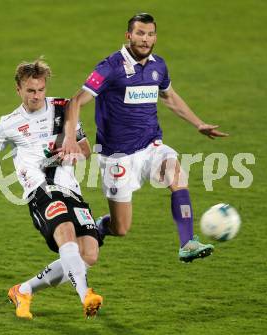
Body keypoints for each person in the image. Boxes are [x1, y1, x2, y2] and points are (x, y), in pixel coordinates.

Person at [0, 59, 103, 319]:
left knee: (89, 254)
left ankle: (23, 290)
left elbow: (85, 150)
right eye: (30, 91)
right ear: (18, 90)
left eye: (40, 90)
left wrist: (72, 152)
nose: (36, 96)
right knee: (66, 235)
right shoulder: (10, 123)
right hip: (40, 189)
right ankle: (86, 295)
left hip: (70, 187)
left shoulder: (64, 110)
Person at [61, 13, 228, 262]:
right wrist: (70, 138)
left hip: (151, 144)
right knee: (121, 228)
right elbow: (75, 101)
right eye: (140, 33)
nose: (145, 39)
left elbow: (169, 97)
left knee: (176, 173)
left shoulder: (158, 66)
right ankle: (101, 226)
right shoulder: (110, 67)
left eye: (150, 34)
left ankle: (188, 242)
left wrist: (198, 123)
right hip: (117, 156)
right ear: (129, 36)